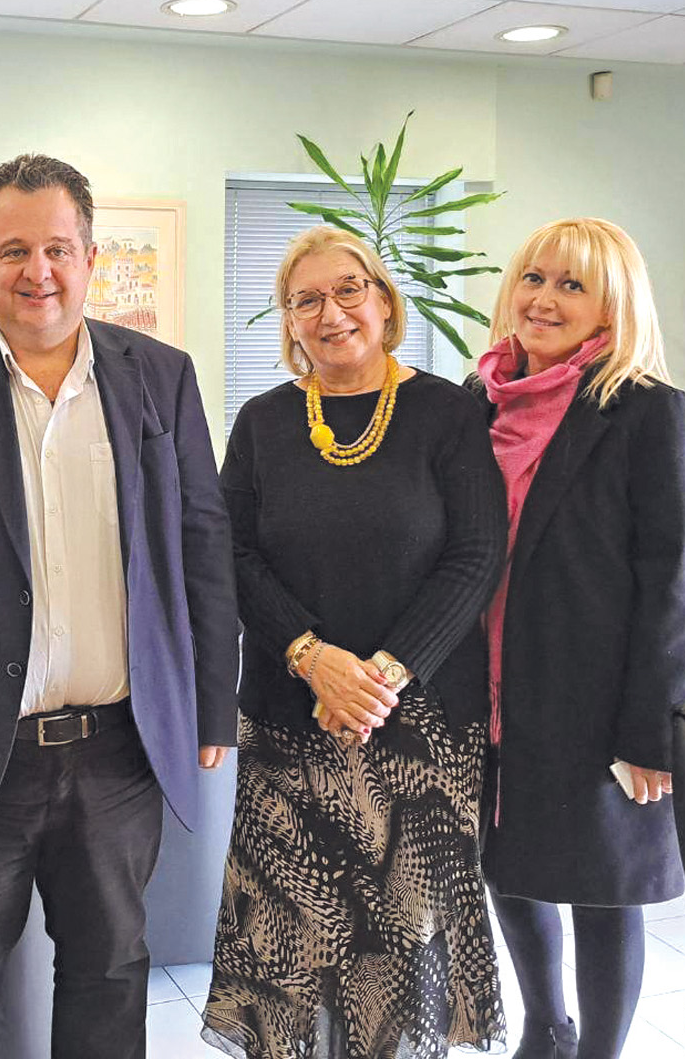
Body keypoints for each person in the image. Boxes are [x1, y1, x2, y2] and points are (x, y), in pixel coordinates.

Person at [0, 152, 239, 1059]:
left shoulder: (161, 376)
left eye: (58, 248)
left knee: (112, 972)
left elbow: (203, 542)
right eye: (15, 249)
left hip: (119, 748)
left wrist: (212, 703)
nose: (39, 271)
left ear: (91, 257)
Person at [201, 225, 508, 1059]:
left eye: (348, 289)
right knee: (291, 946)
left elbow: (477, 552)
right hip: (290, 724)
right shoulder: (263, 422)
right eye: (306, 299)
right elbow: (231, 551)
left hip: (418, 732)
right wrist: (314, 659)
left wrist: (380, 677)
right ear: (289, 321)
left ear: (383, 299)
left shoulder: (448, 413)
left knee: (398, 958)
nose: (330, 312)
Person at [470, 218, 685, 1059]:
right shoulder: (477, 401)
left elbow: (672, 582)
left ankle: (599, 1050)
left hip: (593, 701)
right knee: (509, 865)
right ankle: (546, 1026)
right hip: (486, 689)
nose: (544, 298)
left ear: (611, 306)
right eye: (534, 278)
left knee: (604, 890)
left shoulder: (646, 410)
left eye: (572, 284)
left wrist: (650, 732)